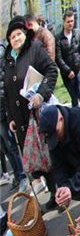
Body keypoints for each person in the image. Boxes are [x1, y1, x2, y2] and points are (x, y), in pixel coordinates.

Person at [3, 16, 58, 151]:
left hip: (39, 114)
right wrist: (11, 117)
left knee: (50, 157)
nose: (16, 39)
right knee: (33, 164)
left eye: (19, 34)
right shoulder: (8, 60)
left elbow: (51, 70)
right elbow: (7, 92)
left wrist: (41, 94)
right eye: (12, 37)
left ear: (26, 33)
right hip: (21, 123)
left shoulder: (35, 48)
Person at [37, 104, 80, 207]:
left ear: (61, 119)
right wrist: (63, 188)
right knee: (68, 190)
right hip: (77, 165)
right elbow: (58, 166)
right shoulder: (53, 135)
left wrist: (71, 186)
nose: (56, 138)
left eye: (57, 133)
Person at [0, 37, 27, 192]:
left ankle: (22, 175)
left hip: (2, 106)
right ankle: (17, 175)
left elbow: (5, 81)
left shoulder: (2, 51)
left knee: (10, 144)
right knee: (4, 146)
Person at [55, 9, 80, 108]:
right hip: (67, 74)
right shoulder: (58, 38)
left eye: (72, 21)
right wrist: (68, 71)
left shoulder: (77, 34)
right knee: (74, 98)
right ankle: (76, 119)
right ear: (64, 22)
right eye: (68, 21)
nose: (70, 24)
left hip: (78, 69)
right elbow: (58, 58)